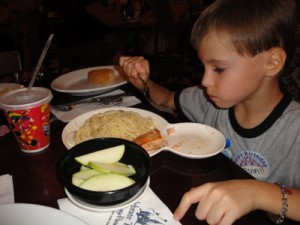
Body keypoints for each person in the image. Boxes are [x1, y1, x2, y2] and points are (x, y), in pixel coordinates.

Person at [119, 0, 300, 224]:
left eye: (219, 69)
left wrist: (259, 193)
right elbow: (166, 98)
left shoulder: (295, 129)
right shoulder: (209, 102)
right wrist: (143, 82)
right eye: (203, 67)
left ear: (272, 63)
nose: (205, 81)